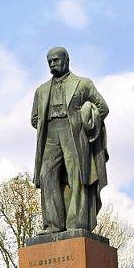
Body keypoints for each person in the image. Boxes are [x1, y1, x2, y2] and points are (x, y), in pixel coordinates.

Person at [31, 47, 110, 234]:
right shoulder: (41, 90)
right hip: (50, 133)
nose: (52, 64)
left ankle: (77, 222)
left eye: (56, 60)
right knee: (47, 175)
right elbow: (34, 118)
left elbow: (103, 108)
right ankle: (53, 224)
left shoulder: (83, 84)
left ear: (67, 60)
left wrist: (85, 116)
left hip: (74, 132)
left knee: (77, 176)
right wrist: (44, 122)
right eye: (49, 61)